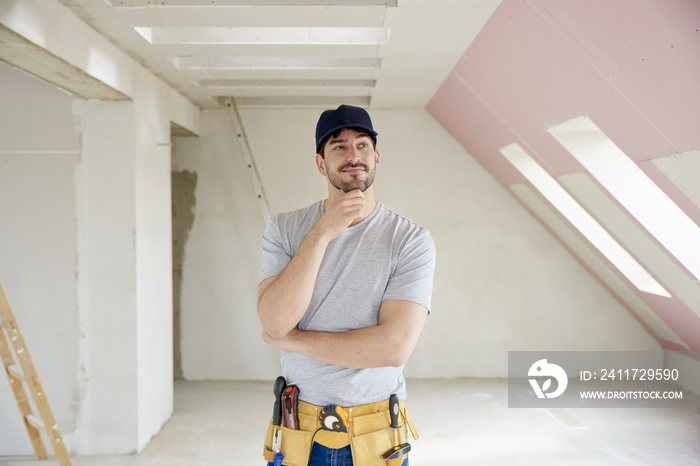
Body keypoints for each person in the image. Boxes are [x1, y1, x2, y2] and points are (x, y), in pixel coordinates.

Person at [258, 104, 436, 466]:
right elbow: (274, 321)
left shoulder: (410, 240)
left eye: (362, 145)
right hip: (301, 432)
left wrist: (295, 341)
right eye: (338, 146)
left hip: (376, 434)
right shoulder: (285, 229)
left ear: (376, 156)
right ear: (321, 163)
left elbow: (393, 347)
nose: (353, 155)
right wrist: (323, 232)